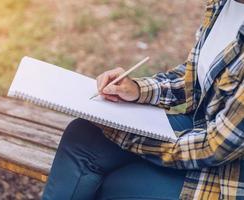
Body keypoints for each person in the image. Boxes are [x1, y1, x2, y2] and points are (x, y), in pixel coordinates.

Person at [42, 0, 244, 199]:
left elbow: (214, 148)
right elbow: (197, 79)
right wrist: (138, 89)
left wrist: (129, 137)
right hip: (201, 127)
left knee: (115, 186)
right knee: (83, 135)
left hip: (229, 173)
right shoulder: (224, 4)